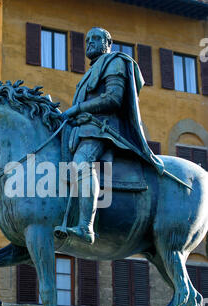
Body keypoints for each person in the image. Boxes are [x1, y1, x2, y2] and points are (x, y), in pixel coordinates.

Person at [60, 27, 164, 244]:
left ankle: (85, 226)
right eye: (87, 39)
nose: (90, 42)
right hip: (83, 129)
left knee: (82, 163)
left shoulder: (115, 61)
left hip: (102, 130)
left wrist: (78, 109)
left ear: (108, 42)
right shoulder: (90, 72)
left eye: (96, 38)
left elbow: (113, 99)